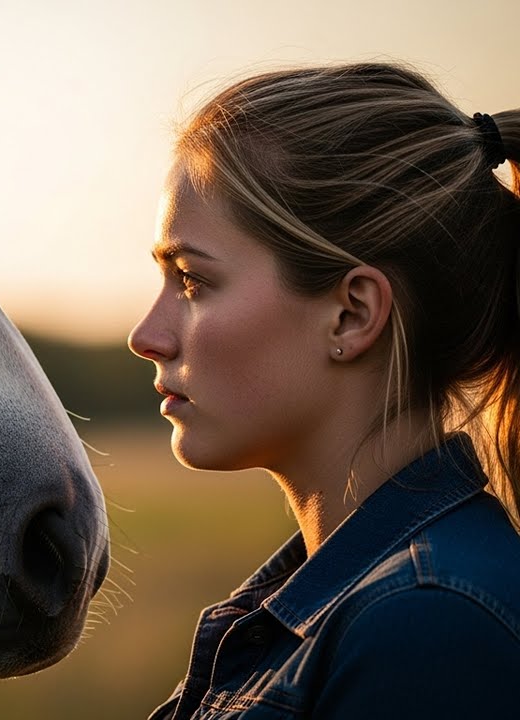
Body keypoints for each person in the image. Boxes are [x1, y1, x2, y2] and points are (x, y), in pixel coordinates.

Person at [128, 62, 520, 718]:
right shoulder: (337, 605)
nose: (147, 335)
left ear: (352, 314)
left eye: (192, 281)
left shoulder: (426, 628)